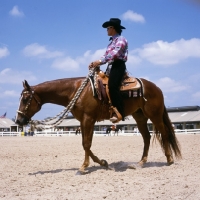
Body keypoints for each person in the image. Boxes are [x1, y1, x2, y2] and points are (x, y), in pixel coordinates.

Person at [89, 18, 128, 123]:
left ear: (113, 28)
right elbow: (106, 55)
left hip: (118, 66)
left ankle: (119, 112)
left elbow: (115, 53)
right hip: (110, 66)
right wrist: (96, 62)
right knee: (100, 84)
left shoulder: (121, 39)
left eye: (108, 28)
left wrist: (100, 61)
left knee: (112, 86)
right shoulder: (111, 42)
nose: (107, 30)